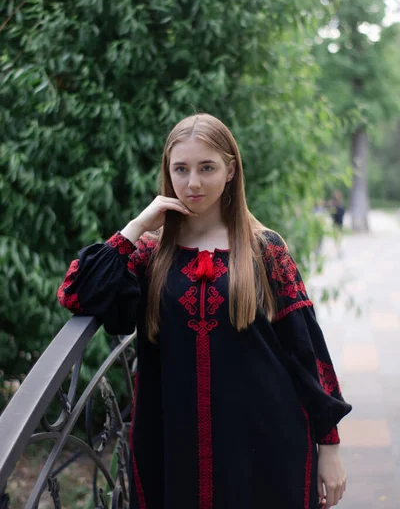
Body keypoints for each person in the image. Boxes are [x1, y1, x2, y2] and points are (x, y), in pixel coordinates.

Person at [57, 114, 352, 509]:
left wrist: (329, 447)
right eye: (181, 169)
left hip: (267, 445)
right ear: (168, 172)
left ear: (230, 170)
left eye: (207, 168)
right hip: (173, 444)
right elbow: (76, 294)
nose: (193, 182)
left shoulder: (264, 249)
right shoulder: (151, 253)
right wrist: (136, 227)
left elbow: (306, 351)